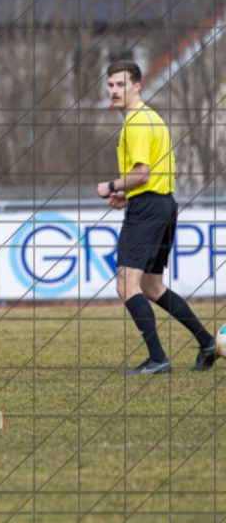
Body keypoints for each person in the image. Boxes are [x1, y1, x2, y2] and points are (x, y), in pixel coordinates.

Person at [96, 60, 218, 373]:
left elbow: (142, 172)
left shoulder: (136, 121)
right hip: (163, 203)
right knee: (151, 287)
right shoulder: (153, 118)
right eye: (110, 85)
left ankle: (157, 359)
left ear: (137, 86)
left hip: (149, 208)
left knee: (126, 284)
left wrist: (110, 186)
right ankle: (206, 342)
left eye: (120, 85)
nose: (113, 91)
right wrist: (128, 193)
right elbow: (169, 169)